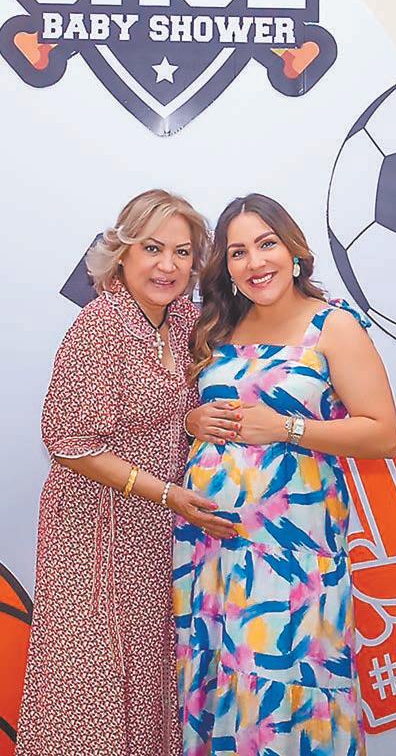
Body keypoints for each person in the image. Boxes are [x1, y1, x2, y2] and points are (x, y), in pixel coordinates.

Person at [174, 193, 396, 756]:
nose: (255, 262)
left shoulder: (333, 326)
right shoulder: (216, 328)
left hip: (293, 556)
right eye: (238, 252)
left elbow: (383, 434)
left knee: (284, 694)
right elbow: (184, 414)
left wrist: (286, 428)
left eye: (266, 244)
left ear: (293, 251)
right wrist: (193, 420)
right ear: (226, 266)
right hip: (213, 555)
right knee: (223, 695)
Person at [16, 189, 235, 756]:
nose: (168, 266)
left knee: (147, 684)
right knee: (90, 686)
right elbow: (67, 442)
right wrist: (163, 492)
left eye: (182, 252)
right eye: (153, 248)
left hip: (156, 535)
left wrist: (190, 419)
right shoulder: (100, 326)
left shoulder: (185, 321)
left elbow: (171, 406)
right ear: (123, 252)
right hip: (92, 535)